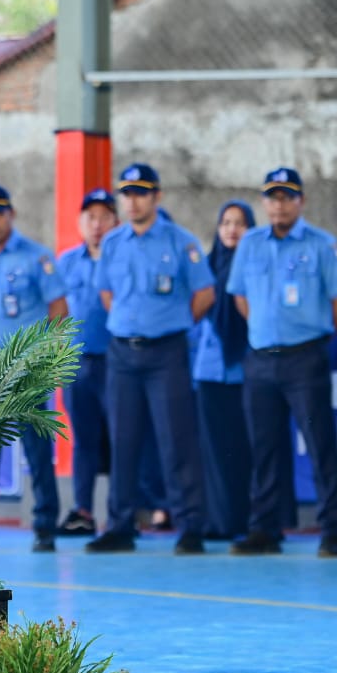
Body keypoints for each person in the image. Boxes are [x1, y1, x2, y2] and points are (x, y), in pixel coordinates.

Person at [86, 163, 213, 555]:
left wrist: (170, 323)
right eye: (127, 193)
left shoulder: (181, 241)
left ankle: (190, 525)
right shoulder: (112, 243)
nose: (133, 200)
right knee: (122, 439)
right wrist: (132, 325)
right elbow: (107, 295)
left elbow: (204, 294)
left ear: (157, 197)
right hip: (123, 351)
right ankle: (121, 525)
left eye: (141, 192)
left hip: (166, 351)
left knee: (176, 440)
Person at [226, 168, 337, 558]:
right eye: (272, 197)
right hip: (261, 360)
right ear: (264, 202)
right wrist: (268, 330)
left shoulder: (321, 244)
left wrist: (311, 335)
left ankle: (332, 529)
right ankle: (264, 529)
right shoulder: (250, 243)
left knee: (320, 445)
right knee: (264, 448)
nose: (278, 204)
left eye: (286, 197)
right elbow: (240, 298)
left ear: (301, 201)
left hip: (305, 359)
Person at [0, 185, 67, 552]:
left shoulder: (37, 257)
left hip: (26, 361)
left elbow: (58, 308)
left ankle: (45, 524)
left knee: (36, 446)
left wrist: (45, 356)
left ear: (11, 215)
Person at [54, 189, 118, 536]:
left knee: (122, 438)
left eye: (104, 217)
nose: (96, 225)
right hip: (76, 363)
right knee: (84, 440)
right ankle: (82, 510)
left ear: (115, 222)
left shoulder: (122, 258)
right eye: (90, 218)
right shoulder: (65, 262)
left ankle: (121, 514)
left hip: (116, 361)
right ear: (80, 222)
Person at [191, 201, 255, 541]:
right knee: (214, 452)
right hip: (210, 372)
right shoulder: (206, 268)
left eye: (240, 223)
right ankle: (218, 521)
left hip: (245, 371)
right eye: (226, 222)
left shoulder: (257, 266)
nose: (232, 229)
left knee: (244, 450)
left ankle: (245, 521)